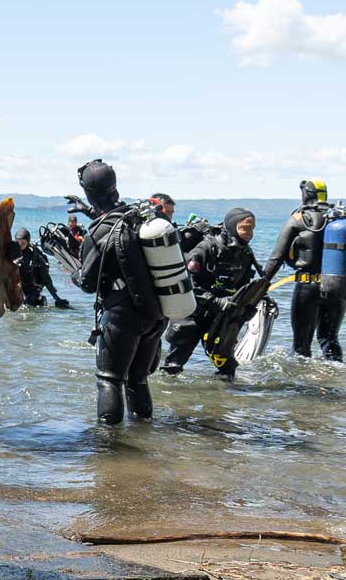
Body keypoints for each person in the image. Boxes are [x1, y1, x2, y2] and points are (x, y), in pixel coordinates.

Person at [73, 160, 166, 424]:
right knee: (137, 377)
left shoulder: (97, 232)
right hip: (156, 313)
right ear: (115, 187)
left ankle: (109, 446)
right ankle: (143, 430)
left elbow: (87, 283)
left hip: (121, 317)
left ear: (89, 194)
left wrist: (72, 273)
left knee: (109, 379)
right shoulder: (139, 217)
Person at [162, 208, 258, 379]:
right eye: (245, 228)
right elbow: (187, 283)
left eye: (252, 228)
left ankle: (222, 402)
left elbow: (244, 286)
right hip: (193, 312)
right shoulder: (207, 248)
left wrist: (252, 303)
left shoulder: (244, 253)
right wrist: (215, 300)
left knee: (227, 368)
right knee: (174, 367)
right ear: (231, 226)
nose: (250, 234)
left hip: (218, 317)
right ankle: (169, 400)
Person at [260, 180, 344, 361]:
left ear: (306, 194)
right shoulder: (339, 219)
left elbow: (277, 257)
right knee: (330, 339)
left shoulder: (299, 219)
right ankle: (336, 377)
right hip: (337, 288)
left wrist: (261, 285)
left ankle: (301, 387)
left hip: (308, 287)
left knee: (301, 345)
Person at [13, 227, 70, 308]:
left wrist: (57, 298)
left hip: (32, 290)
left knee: (30, 301)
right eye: (18, 242)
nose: (20, 245)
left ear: (28, 242)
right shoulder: (12, 252)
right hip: (17, 288)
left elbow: (46, 279)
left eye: (23, 243)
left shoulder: (35, 257)